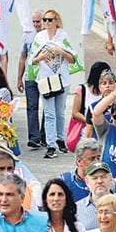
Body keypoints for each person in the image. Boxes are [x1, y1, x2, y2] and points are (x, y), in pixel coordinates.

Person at [29, 9, 77, 159]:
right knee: (49, 113)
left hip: (62, 79)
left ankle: (60, 139)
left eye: (50, 19)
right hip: (45, 80)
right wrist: (41, 57)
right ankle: (50, 145)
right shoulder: (39, 37)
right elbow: (32, 60)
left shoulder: (63, 36)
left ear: (56, 20)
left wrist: (61, 51)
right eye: (45, 19)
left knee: (60, 112)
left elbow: (73, 58)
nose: (47, 22)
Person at [16, 10, 45, 149]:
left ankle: (45, 135)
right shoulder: (27, 35)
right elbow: (22, 57)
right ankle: (34, 137)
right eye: (33, 22)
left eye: (38, 21)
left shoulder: (49, 35)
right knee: (32, 106)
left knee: (48, 108)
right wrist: (19, 78)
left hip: (45, 76)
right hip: (30, 75)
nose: (35, 24)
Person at [59, 137, 102, 202]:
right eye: (92, 159)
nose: (97, 162)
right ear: (79, 161)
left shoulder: (106, 181)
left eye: (98, 158)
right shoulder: (65, 181)